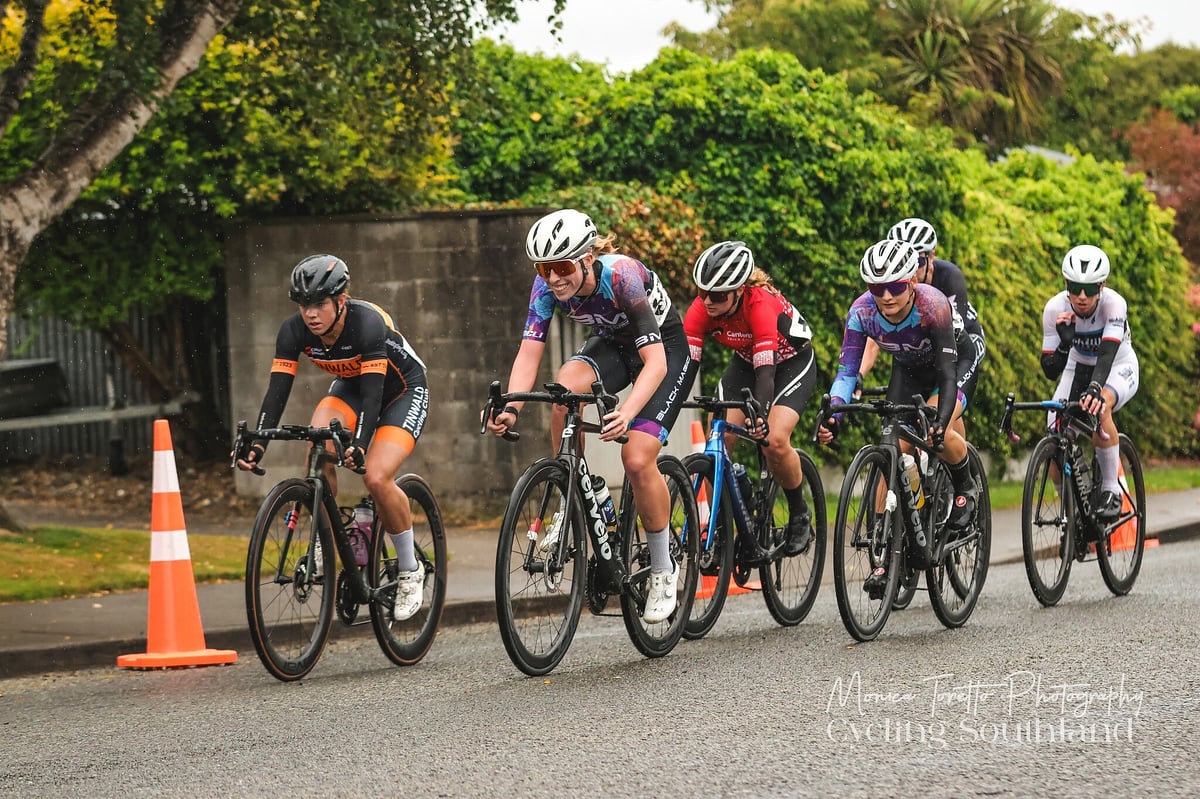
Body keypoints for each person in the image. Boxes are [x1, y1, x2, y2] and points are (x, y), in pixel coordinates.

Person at [484, 209, 697, 623]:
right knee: (563, 390)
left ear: (585, 258)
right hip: (613, 345)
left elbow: (653, 363)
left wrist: (628, 412)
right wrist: (511, 407)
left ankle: (662, 568)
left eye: (562, 267)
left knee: (635, 457)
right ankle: (573, 491)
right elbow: (530, 352)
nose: (553, 278)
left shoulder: (622, 276)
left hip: (663, 351)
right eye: (544, 269)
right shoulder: (545, 287)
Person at [234, 254, 430, 621]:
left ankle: (410, 568)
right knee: (317, 441)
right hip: (352, 388)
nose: (311, 313)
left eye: (319, 304)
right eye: (304, 304)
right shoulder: (293, 332)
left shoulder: (367, 324)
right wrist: (258, 442)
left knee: (375, 476)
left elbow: (374, 396)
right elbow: (277, 392)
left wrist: (359, 442)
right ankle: (327, 537)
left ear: (341, 301)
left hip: (401, 391)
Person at [816, 239, 978, 596]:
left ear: (911, 282)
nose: (886, 296)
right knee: (890, 447)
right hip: (907, 371)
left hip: (951, 366)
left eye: (894, 287)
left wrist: (939, 417)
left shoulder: (933, 305)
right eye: (877, 288)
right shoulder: (861, 312)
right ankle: (884, 550)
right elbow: (847, 371)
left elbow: (948, 376)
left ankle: (966, 485)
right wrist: (834, 414)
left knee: (937, 426)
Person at [682, 240, 818, 554]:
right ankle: (731, 516)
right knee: (717, 442)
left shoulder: (760, 306)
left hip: (789, 364)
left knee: (774, 440)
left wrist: (759, 415)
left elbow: (766, 374)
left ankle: (799, 513)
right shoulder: (701, 309)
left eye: (717, 295)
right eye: (702, 292)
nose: (707, 301)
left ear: (740, 290)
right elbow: (687, 368)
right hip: (746, 363)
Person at [855, 218, 986, 445]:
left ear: (932, 257)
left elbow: (949, 346)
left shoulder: (949, 277)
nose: (910, 267)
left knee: (937, 416)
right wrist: (859, 375)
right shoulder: (892, 291)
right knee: (898, 436)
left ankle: (959, 471)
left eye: (917, 260)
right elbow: (876, 336)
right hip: (917, 353)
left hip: (958, 343)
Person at [1040, 244, 1139, 518]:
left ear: (1102, 286)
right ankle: (1073, 515)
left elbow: (1106, 355)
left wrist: (1096, 389)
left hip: (1118, 365)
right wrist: (1065, 342)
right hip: (1077, 367)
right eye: (1074, 287)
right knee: (1054, 434)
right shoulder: (1054, 309)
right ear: (1065, 284)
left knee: (1099, 407)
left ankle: (1111, 490)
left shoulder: (1114, 304)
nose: (1082, 296)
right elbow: (1050, 369)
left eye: (1091, 289)